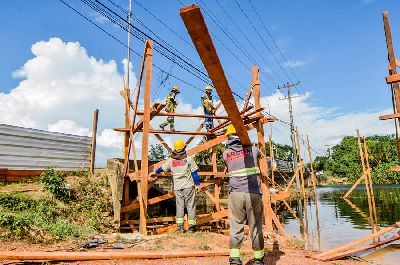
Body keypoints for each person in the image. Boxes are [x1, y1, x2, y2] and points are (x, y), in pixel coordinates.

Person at [222, 125, 265, 265]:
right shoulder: (253, 150)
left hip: (236, 194)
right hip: (253, 193)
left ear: (229, 138)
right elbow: (261, 155)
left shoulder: (226, 153)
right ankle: (258, 260)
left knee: (236, 226)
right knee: (256, 227)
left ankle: (234, 259)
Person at [152, 139, 200, 232]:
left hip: (178, 187)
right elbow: (194, 173)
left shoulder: (171, 161)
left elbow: (162, 168)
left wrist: (155, 172)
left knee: (180, 206)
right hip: (188, 186)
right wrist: (197, 184)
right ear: (183, 148)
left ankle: (180, 227)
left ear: (175, 149)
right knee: (190, 205)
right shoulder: (189, 159)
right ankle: (192, 227)